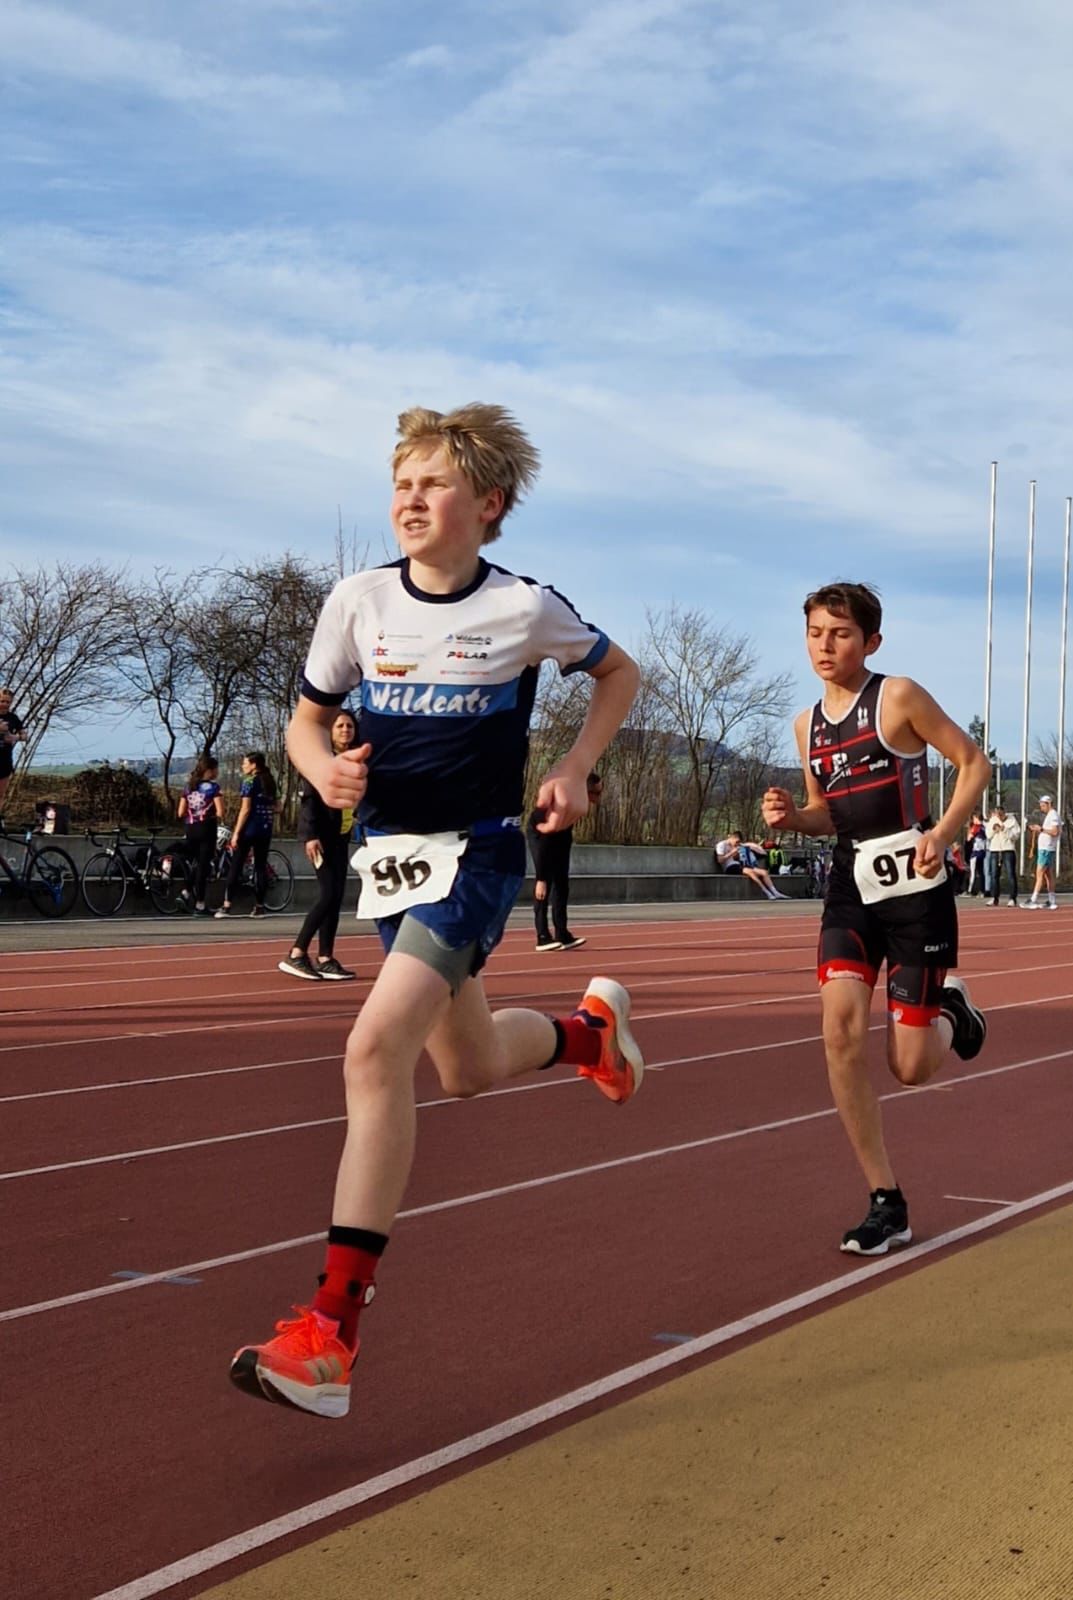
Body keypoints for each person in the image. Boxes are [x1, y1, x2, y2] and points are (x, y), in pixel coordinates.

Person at [230, 403, 644, 1418]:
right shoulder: (357, 602)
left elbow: (617, 671)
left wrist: (577, 766)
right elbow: (303, 721)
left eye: (431, 484)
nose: (408, 499)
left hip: (479, 853)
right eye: (399, 483)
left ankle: (329, 1335)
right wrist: (324, 768)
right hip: (388, 861)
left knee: (374, 1052)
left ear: (487, 506)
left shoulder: (524, 608)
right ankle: (586, 1036)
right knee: (460, 1070)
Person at [762, 580, 990, 1256]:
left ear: (870, 642)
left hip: (916, 891)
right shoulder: (806, 725)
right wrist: (789, 816)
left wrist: (943, 831)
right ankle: (884, 1199)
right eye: (814, 633)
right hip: (849, 888)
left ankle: (954, 1013)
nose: (824, 647)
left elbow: (972, 763)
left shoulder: (898, 697)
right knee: (837, 1032)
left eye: (838, 634)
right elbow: (823, 810)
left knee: (910, 1067)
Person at [279, 710, 361, 978]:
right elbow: (309, 801)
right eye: (340, 726)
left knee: (336, 897)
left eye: (349, 726)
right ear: (331, 731)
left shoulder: (354, 761)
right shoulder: (322, 761)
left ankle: (326, 956)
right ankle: (297, 952)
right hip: (322, 838)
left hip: (340, 836)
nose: (346, 730)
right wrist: (310, 835)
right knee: (327, 894)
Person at [527, 769, 602, 951]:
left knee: (562, 883)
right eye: (596, 793)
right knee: (544, 887)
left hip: (561, 835)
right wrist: (541, 879)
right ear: (586, 790)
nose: (599, 798)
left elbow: (564, 835)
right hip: (541, 834)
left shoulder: (579, 801)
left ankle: (562, 933)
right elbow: (545, 841)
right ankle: (542, 935)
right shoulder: (564, 801)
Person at [216, 751, 277, 919]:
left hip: (249, 828)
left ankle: (227, 905)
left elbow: (245, 809)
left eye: (245, 763)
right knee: (260, 866)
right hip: (265, 829)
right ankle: (259, 906)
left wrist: (236, 833)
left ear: (254, 765)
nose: (243, 766)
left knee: (236, 864)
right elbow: (277, 807)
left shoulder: (249, 782)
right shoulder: (270, 782)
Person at [177, 753, 225, 915]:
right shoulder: (213, 788)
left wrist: (193, 814)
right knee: (203, 866)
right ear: (210, 771)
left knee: (196, 863)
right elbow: (220, 811)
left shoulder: (189, 787)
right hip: (207, 828)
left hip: (191, 828)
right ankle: (200, 904)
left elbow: (180, 812)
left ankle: (185, 893)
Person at [715, 831, 790, 899]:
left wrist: (737, 855)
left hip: (739, 865)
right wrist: (731, 853)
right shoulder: (721, 845)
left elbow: (736, 859)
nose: (737, 844)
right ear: (732, 838)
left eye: (739, 842)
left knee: (764, 872)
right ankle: (766, 892)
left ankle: (775, 892)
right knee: (750, 872)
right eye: (736, 841)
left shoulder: (735, 846)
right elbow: (720, 860)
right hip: (729, 867)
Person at [1025, 795, 1062, 910]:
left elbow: (1055, 832)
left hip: (1047, 848)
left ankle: (1033, 899)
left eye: (1043, 805)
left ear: (1049, 804)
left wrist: (1040, 829)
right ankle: (1051, 900)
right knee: (1048, 875)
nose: (1041, 808)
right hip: (1046, 848)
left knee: (1039, 874)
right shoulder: (1050, 815)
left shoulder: (1053, 815)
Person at [985, 804, 1020, 906]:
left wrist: (1005, 829)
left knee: (1010, 874)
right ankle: (994, 897)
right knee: (994, 875)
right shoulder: (993, 820)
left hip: (1008, 849)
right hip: (995, 849)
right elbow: (988, 835)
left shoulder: (1012, 820)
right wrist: (994, 829)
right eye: (997, 814)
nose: (999, 816)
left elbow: (1015, 836)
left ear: (1004, 813)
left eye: (1001, 814)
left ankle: (1012, 898)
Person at [0, 687, 26, 815]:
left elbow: (25, 736)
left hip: (4, 759)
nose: (4, 704)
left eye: (7, 702)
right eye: (2, 701)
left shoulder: (13, 718)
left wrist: (14, 737)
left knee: (1, 793)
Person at [966, 811, 987, 896]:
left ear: (976, 818)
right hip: (982, 852)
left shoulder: (976, 827)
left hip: (975, 852)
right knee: (981, 872)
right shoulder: (984, 827)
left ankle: (970, 890)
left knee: (973, 872)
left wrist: (970, 834)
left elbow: (969, 838)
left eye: (974, 818)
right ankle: (982, 890)